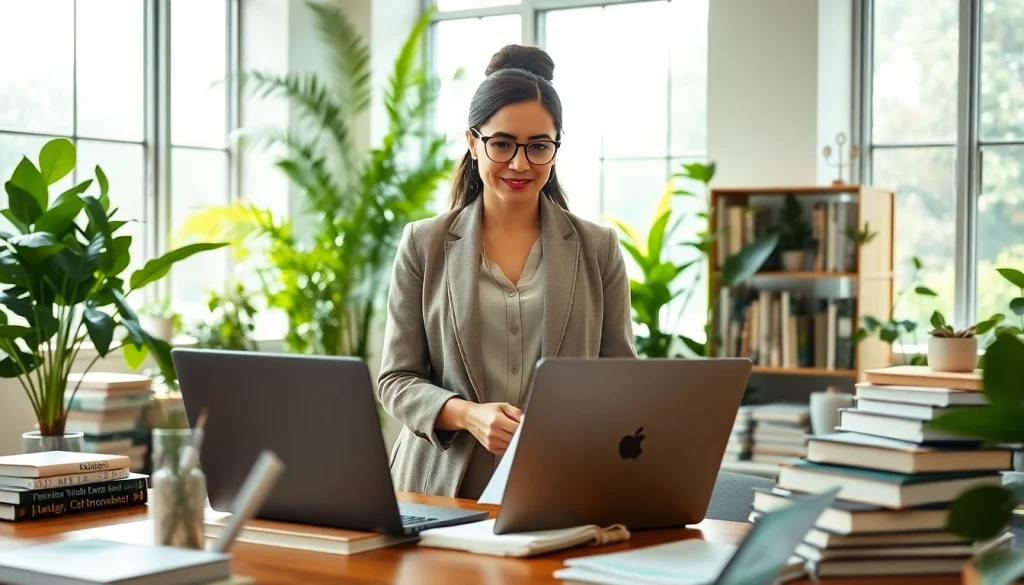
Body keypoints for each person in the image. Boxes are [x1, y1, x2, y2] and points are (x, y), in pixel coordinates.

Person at [377, 44, 636, 499]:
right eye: (502, 144)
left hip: (561, 482)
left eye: (539, 146)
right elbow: (395, 380)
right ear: (473, 142)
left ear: (556, 149)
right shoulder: (424, 243)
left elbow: (620, 380)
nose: (520, 164)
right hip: (439, 486)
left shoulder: (599, 249)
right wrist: (466, 414)